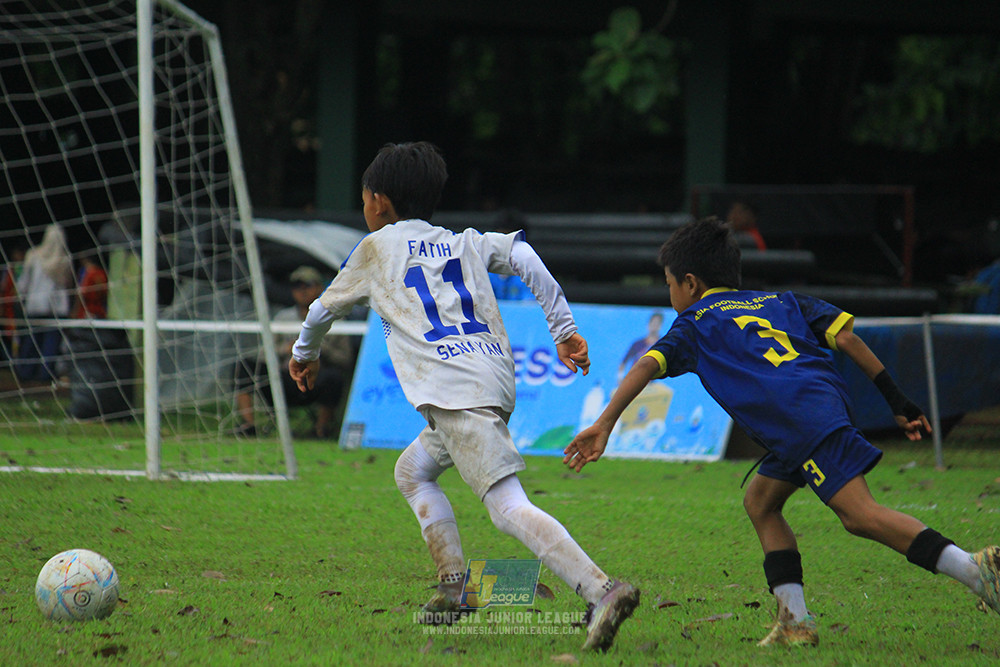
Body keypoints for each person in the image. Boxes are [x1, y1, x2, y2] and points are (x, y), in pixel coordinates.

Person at [564, 217, 999, 647]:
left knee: (859, 515)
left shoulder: (695, 322)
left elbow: (645, 365)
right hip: (817, 407)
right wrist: (897, 401)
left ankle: (976, 570)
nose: (671, 293)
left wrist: (604, 424)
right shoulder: (779, 300)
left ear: (690, 283)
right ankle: (794, 621)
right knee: (761, 501)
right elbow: (847, 338)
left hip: (800, 420)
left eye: (669, 283)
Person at [288, 141, 639, 651]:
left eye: (363, 199)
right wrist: (562, 327)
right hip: (489, 380)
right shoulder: (464, 241)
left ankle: (602, 589)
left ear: (379, 202)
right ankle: (454, 588)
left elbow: (321, 310)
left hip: (455, 394)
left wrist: (304, 354)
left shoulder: (375, 248)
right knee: (412, 472)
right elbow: (522, 253)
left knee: (504, 506)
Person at [234, 265, 354, 438]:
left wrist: (316, 348)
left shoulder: (335, 319)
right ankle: (248, 425)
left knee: (334, 378)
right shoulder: (283, 318)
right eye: (297, 286)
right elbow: (263, 353)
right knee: (245, 366)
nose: (302, 291)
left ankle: (322, 429)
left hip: (315, 379)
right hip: (284, 378)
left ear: (320, 288)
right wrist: (285, 349)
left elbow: (346, 360)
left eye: (308, 285)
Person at [15, 224, 74, 382]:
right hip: (57, 307)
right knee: (51, 342)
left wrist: (21, 296)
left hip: (35, 304)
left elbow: (25, 280)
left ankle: (26, 372)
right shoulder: (64, 258)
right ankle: (45, 374)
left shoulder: (34, 255)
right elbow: (68, 283)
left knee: (31, 341)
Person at [488, 209, 534, 301]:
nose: (503, 246)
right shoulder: (483, 272)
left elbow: (529, 308)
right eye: (500, 239)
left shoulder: (530, 273)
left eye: (509, 240)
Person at [617, 311, 663, 379]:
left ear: (660, 326)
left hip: (653, 384)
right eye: (653, 322)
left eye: (657, 323)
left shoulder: (663, 344)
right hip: (636, 380)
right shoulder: (637, 344)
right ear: (648, 324)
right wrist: (620, 378)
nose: (654, 325)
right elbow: (623, 363)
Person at [71, 251, 109, 320]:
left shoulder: (87, 273)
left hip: (86, 312)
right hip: (100, 311)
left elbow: (81, 294)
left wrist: (74, 312)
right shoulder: (102, 273)